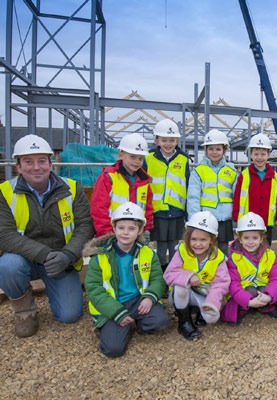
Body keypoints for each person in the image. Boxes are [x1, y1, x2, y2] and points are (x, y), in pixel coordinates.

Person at [0, 134, 94, 338]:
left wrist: (68, 255)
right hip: (25, 259)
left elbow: (85, 226)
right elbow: (5, 234)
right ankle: (25, 311)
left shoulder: (72, 188)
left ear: (51, 164)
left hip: (61, 260)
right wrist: (44, 254)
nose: (36, 167)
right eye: (28, 162)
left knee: (69, 315)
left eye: (42, 161)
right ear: (18, 167)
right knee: (7, 265)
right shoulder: (5, 192)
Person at [84, 202, 169, 358]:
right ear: (114, 228)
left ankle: (136, 323)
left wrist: (150, 297)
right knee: (113, 350)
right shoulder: (100, 256)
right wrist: (117, 312)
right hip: (113, 303)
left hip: (138, 300)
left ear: (140, 230)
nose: (125, 233)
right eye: (121, 228)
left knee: (161, 320)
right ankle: (113, 325)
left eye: (131, 228)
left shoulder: (148, 253)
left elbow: (157, 278)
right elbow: (93, 288)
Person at [163, 211, 230, 339]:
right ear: (188, 238)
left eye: (203, 240)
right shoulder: (182, 251)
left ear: (212, 240)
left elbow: (221, 283)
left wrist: (211, 302)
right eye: (194, 239)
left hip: (204, 293)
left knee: (211, 317)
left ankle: (199, 310)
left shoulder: (219, 257)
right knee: (181, 287)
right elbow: (168, 275)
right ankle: (184, 322)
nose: (197, 244)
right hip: (181, 295)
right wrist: (188, 276)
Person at [221, 212, 277, 325]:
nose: (251, 242)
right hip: (243, 292)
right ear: (240, 239)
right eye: (246, 238)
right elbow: (233, 284)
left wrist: (269, 296)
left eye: (255, 238)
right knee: (250, 291)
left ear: (261, 239)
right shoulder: (234, 258)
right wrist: (248, 301)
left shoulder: (269, 255)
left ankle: (265, 304)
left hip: (263, 290)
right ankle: (246, 306)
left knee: (264, 289)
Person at [145, 119, 190, 271]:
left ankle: (174, 271)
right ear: (156, 140)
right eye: (164, 140)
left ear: (177, 140)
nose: (168, 144)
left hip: (177, 210)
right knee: (161, 244)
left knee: (174, 244)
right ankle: (161, 273)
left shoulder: (183, 159)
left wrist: (187, 211)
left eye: (172, 140)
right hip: (158, 210)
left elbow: (188, 184)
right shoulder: (148, 158)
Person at [91, 132, 154, 237]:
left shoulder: (144, 181)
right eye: (132, 157)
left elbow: (148, 208)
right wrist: (106, 233)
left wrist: (146, 229)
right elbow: (98, 208)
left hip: (136, 233)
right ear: (121, 155)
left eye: (140, 158)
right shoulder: (108, 177)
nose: (137, 162)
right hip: (111, 233)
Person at [188, 129, 237, 254]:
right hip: (206, 218)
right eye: (211, 149)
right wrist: (194, 219)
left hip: (225, 218)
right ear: (206, 150)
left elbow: (237, 195)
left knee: (224, 250)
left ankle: (223, 273)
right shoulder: (199, 171)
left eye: (218, 149)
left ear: (224, 150)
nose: (214, 152)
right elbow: (193, 197)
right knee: (207, 249)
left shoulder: (231, 171)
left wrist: (237, 217)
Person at [232, 133, 277, 245]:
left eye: (263, 154)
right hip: (247, 220)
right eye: (256, 154)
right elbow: (237, 196)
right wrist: (236, 215)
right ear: (251, 154)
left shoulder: (274, 176)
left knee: (265, 246)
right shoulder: (244, 175)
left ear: (269, 155)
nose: (259, 157)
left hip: (266, 220)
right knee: (248, 245)